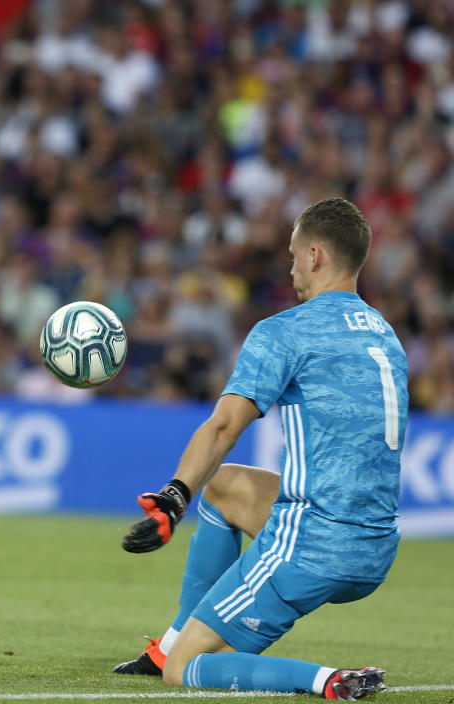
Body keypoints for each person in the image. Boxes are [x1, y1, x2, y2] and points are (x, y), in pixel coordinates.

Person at [113, 198, 407, 700]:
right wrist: (194, 492)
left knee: (186, 669)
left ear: (315, 255)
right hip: (377, 545)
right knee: (224, 486)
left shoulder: (285, 331)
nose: (290, 267)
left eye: (294, 255)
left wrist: (172, 495)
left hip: (315, 545)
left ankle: (328, 681)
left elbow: (225, 424)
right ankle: (169, 641)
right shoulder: (386, 335)